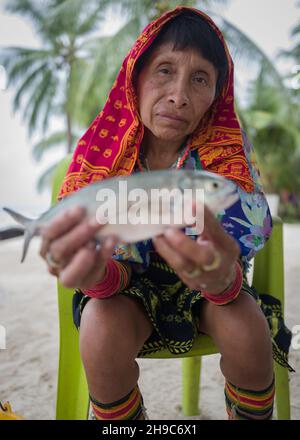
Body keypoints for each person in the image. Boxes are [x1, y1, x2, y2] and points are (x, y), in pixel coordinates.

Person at [40, 7, 293, 420]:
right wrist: (95, 273)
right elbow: (98, 254)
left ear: (216, 94)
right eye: (164, 71)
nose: (179, 95)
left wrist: (220, 275)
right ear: (134, 77)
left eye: (199, 79)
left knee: (248, 329)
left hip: (212, 290)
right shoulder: (102, 154)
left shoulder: (224, 155)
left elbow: (243, 230)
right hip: (124, 289)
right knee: (100, 328)